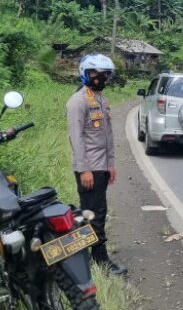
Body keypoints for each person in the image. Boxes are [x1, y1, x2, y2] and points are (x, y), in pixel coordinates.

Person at [66, 53, 127, 276]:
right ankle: (100, 261)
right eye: (95, 73)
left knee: (94, 212)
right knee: (95, 213)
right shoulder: (78, 102)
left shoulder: (101, 99)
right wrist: (84, 170)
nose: (100, 77)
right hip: (89, 168)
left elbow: (108, 134)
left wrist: (111, 163)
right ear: (85, 74)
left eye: (105, 74)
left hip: (102, 166)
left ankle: (85, 256)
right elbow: (76, 138)